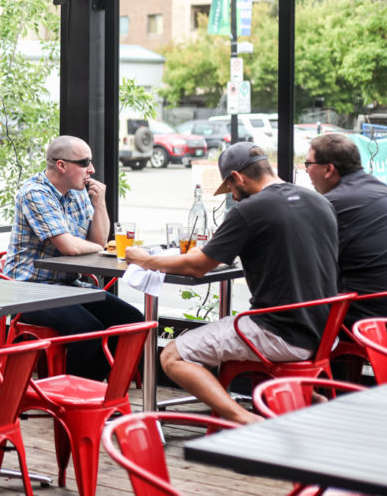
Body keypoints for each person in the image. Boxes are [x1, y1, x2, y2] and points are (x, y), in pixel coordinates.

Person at [126, 142, 338, 423]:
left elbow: (198, 266)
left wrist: (145, 259)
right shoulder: (319, 201)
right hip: (325, 333)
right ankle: (311, 403)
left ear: (237, 177)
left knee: (173, 355)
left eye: (232, 190)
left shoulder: (249, 210)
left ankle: (247, 420)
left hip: (280, 332)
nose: (234, 198)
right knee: (229, 334)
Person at [1, 135, 143, 380]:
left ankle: (103, 391)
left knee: (131, 320)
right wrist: (97, 248)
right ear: (62, 166)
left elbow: (97, 241)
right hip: (30, 290)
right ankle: (76, 397)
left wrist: (100, 205)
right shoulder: (35, 193)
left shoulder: (78, 190)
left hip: (67, 285)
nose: (92, 169)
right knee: (87, 328)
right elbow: (69, 246)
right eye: (84, 162)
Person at [306, 132, 387, 332]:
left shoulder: (333, 203)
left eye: (308, 164)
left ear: (329, 169)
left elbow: (304, 262)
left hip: (370, 322)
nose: (306, 171)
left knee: (286, 326)